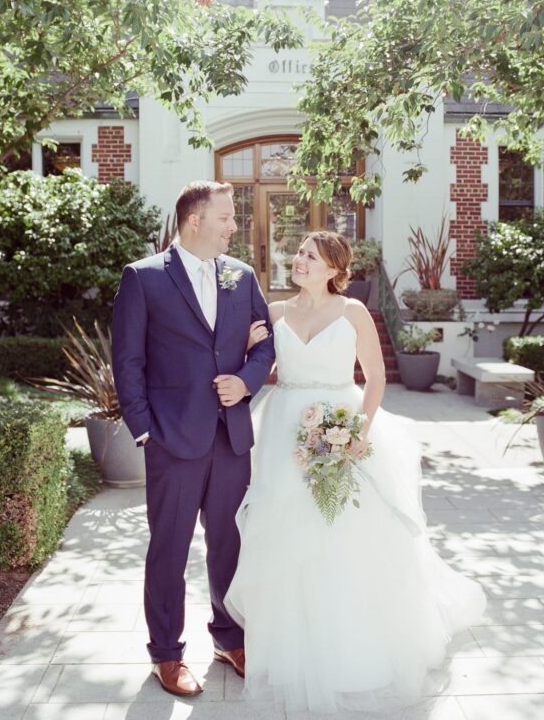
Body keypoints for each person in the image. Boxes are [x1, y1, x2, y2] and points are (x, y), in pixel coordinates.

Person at [225, 230, 486, 713]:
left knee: (341, 534)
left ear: (332, 268)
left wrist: (358, 434)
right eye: (299, 253)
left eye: (309, 255)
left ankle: (350, 650)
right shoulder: (274, 313)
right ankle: (286, 647)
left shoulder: (354, 313)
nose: (298, 260)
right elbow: (255, 367)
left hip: (339, 423)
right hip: (283, 430)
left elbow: (376, 376)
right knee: (284, 534)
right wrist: (250, 346)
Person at [111, 180, 275, 697]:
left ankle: (228, 638)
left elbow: (265, 347)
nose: (234, 226)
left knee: (229, 544)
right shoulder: (143, 278)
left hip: (231, 438)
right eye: (226, 217)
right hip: (171, 439)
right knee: (169, 549)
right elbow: (127, 362)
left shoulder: (242, 277)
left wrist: (245, 381)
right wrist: (143, 432)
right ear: (194, 221)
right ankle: (166, 654)